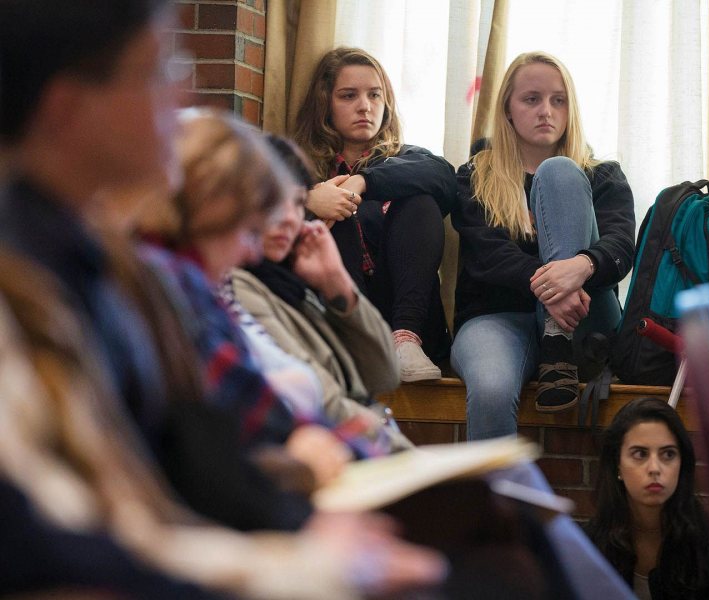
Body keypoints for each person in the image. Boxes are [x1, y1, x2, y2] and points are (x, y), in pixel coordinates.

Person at [0, 1, 445, 596]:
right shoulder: (46, 274)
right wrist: (300, 559)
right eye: (159, 68)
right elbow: (55, 537)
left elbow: (186, 445)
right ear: (67, 106)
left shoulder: (97, 259)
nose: (185, 88)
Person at [452, 51, 635, 440]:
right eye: (531, 99)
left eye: (558, 100)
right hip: (500, 318)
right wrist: (555, 287)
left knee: (560, 172)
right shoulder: (475, 176)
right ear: (507, 110)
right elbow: (488, 257)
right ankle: (494, 501)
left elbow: (622, 246)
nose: (545, 111)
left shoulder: (601, 175)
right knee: (490, 390)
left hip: (587, 319)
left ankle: (558, 336)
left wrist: (583, 266)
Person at [224, 134, 413, 452]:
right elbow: (322, 403)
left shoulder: (294, 278)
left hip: (362, 441)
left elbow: (384, 374)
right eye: (272, 200)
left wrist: (338, 284)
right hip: (337, 451)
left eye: (298, 203)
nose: (288, 218)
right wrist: (401, 450)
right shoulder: (237, 287)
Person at [294, 46, 456, 382]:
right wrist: (307, 201)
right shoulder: (298, 169)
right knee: (332, 204)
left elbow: (444, 176)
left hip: (403, 314)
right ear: (325, 103)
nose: (365, 107)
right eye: (348, 95)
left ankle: (406, 341)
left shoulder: (409, 159)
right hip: (339, 317)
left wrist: (363, 180)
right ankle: (355, 340)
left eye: (374, 95)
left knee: (419, 201)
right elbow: (255, 217)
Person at [586, 397, 709, 599]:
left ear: (682, 464)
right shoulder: (590, 544)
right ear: (617, 465)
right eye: (640, 454)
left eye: (668, 454)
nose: (655, 469)